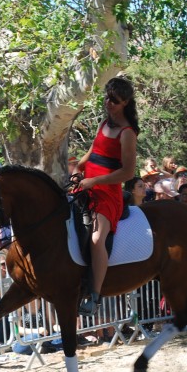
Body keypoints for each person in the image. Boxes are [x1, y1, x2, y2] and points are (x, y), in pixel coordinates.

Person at [74, 77, 139, 316]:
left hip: (107, 192)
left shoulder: (127, 133)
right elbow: (91, 153)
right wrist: (77, 170)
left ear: (126, 103)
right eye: (107, 97)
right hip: (85, 185)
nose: (109, 103)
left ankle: (94, 296)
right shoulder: (103, 123)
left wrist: (94, 181)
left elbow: (128, 172)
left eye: (115, 100)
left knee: (96, 239)